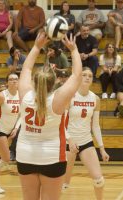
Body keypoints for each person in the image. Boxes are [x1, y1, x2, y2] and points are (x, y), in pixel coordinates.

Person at [16, 33, 82, 200]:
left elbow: (26, 68)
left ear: (34, 81)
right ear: (54, 83)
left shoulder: (25, 94)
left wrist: (37, 47)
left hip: (25, 155)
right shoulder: (58, 99)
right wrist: (73, 50)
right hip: (52, 157)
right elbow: (76, 76)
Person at [63, 67, 110, 199]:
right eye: (84, 75)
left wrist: (102, 149)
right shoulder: (70, 96)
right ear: (79, 77)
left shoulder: (95, 99)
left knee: (99, 180)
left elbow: (95, 126)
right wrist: (70, 140)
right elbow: (61, 123)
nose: (87, 77)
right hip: (68, 142)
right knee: (63, 184)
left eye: (90, 75)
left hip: (86, 142)